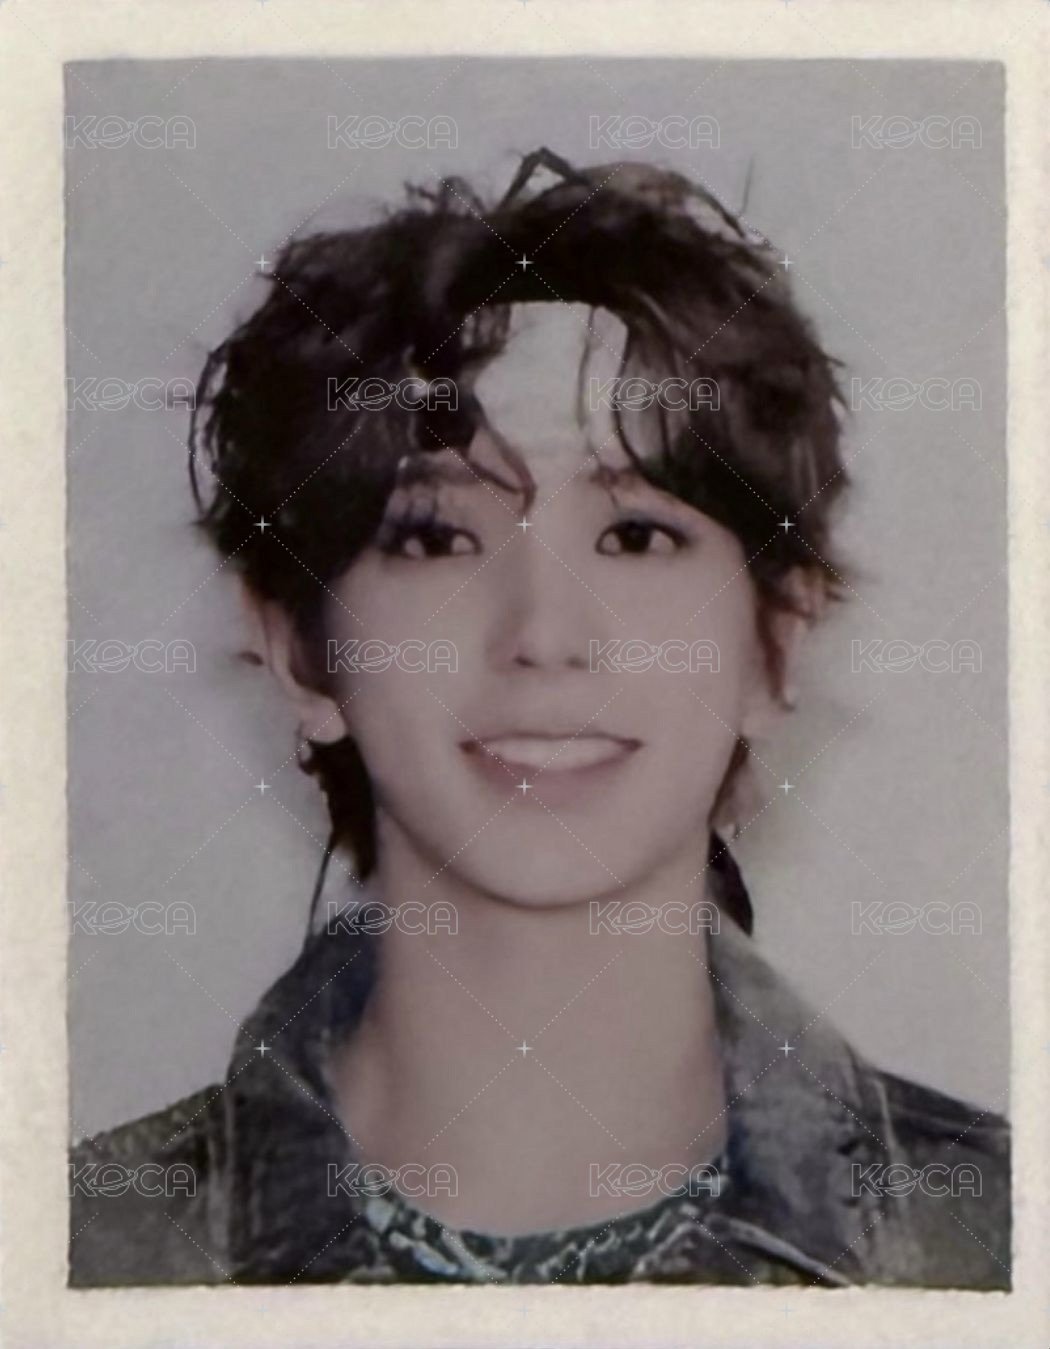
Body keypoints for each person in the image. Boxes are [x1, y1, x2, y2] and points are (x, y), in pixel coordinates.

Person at [69, 148, 1009, 1288]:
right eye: (435, 537)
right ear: (300, 648)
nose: (544, 631)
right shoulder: (80, 1251)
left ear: (775, 640)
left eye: (636, 535)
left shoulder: (998, 1246)